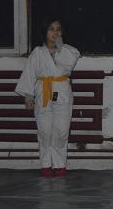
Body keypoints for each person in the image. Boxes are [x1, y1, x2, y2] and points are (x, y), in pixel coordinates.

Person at [15, 18, 80, 178]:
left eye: (58, 29)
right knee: (44, 130)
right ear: (45, 32)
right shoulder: (37, 52)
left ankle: (60, 165)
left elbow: (68, 64)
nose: (55, 32)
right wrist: (28, 97)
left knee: (61, 130)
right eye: (51, 29)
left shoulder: (69, 51)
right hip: (43, 92)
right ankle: (45, 164)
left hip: (61, 92)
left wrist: (59, 46)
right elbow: (29, 74)